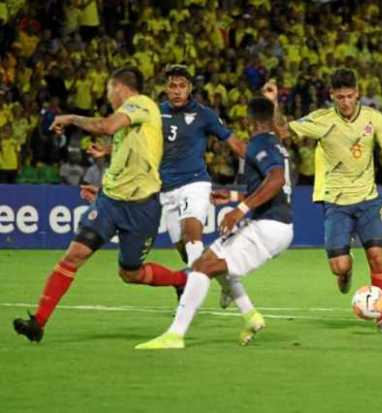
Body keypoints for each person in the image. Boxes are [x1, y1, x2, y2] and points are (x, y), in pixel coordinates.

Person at [13, 67, 187, 343]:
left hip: (141, 208)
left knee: (130, 272)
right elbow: (127, 157)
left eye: (108, 90)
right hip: (109, 203)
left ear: (117, 86)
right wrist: (104, 187)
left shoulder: (141, 104)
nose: (108, 96)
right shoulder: (131, 123)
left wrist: (70, 117)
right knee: (74, 255)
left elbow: (105, 126)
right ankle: (39, 322)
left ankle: (182, 280)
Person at [135, 97, 293, 349]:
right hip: (272, 224)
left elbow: (275, 181)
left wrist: (240, 209)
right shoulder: (277, 146)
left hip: (268, 226)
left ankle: (175, 335)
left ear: (249, 120)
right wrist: (232, 197)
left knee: (201, 268)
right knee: (208, 259)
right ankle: (251, 316)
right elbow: (272, 186)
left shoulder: (259, 143)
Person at [263, 68, 382, 334]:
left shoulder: (374, 118)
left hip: (368, 200)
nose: (346, 102)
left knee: (377, 257)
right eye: (340, 97)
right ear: (332, 96)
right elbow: (283, 131)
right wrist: (274, 104)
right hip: (336, 204)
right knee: (339, 267)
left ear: (358, 94)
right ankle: (346, 271)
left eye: (350, 96)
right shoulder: (321, 120)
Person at [158, 64, 261, 328]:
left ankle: (242, 311)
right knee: (187, 253)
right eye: (172, 85)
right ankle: (226, 279)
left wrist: (261, 163)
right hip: (167, 191)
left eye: (182, 85)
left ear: (190, 88)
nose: (177, 90)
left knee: (193, 239)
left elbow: (234, 143)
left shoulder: (204, 115)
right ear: (166, 87)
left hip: (195, 184)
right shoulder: (156, 113)